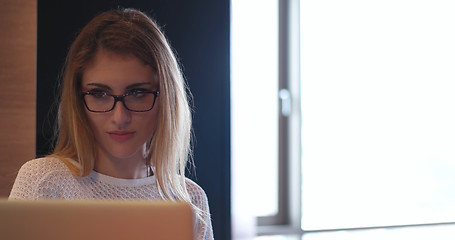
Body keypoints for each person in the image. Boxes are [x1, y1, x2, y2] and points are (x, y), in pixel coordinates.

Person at [9, 8, 213, 240]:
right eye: (99, 93)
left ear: (166, 97)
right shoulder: (44, 181)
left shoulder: (190, 199)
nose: (119, 117)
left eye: (137, 92)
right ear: (78, 99)